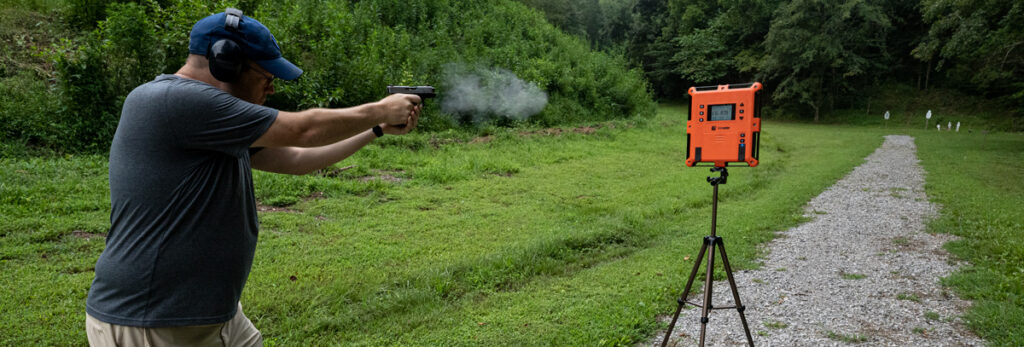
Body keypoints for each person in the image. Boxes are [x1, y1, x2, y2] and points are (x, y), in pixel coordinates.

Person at [84, 8, 422, 346]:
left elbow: (297, 158)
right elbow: (303, 130)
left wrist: (375, 130)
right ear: (225, 62)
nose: (271, 88)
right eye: (266, 76)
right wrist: (379, 109)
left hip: (209, 313)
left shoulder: (210, 120)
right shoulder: (176, 100)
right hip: (153, 320)